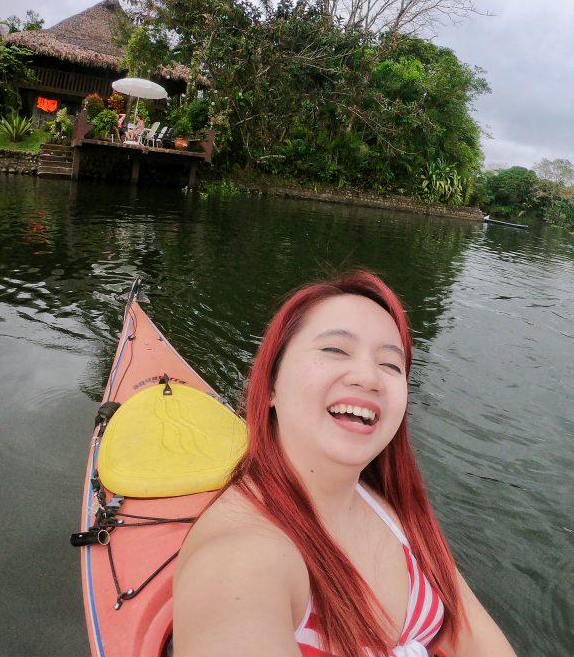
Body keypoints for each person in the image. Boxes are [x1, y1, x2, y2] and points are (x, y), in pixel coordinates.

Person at [173, 270, 517, 657]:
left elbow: (475, 636)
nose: (370, 377)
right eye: (335, 350)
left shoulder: (390, 507)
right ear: (270, 384)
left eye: (390, 365)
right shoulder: (241, 561)